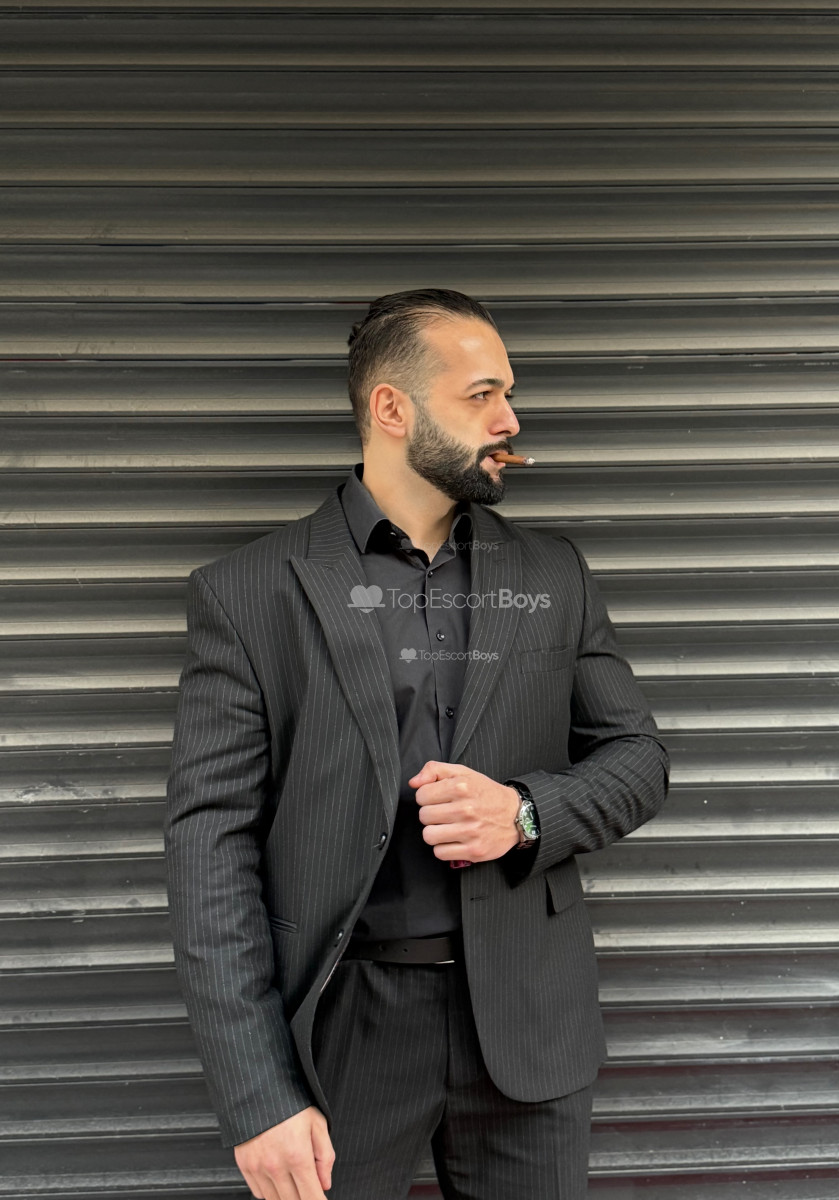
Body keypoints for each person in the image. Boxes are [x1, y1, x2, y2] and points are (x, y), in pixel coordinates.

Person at [164, 288, 669, 1200]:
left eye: (509, 394)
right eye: (482, 395)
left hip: (527, 1024)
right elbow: (209, 848)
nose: (510, 421)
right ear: (392, 409)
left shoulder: (554, 573)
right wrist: (256, 1094)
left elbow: (638, 761)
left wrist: (524, 813)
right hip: (338, 1037)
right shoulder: (246, 593)